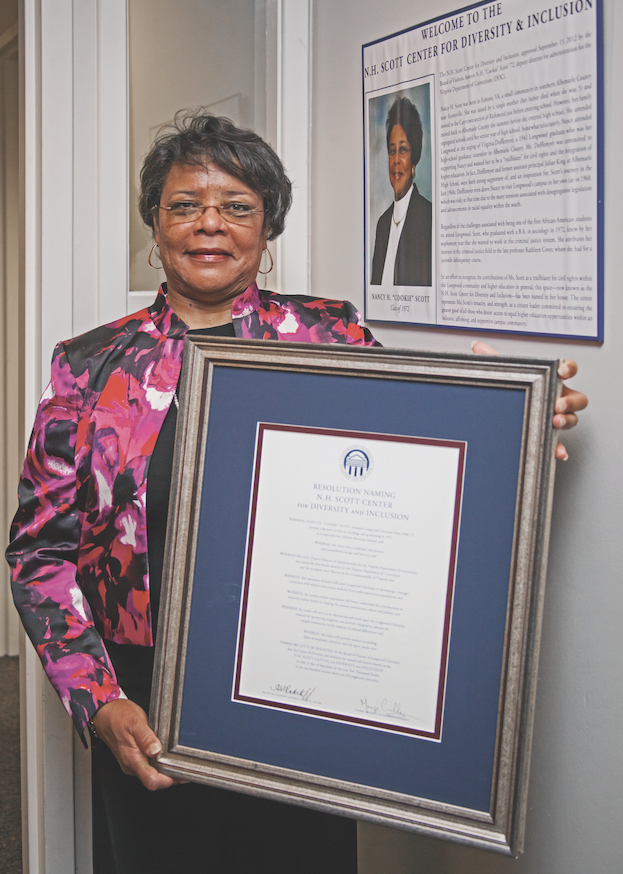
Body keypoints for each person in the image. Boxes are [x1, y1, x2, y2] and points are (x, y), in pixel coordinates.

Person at [7, 110, 586, 874]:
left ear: (268, 225)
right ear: (155, 220)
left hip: (309, 679)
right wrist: (98, 699)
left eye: (237, 206)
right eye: (184, 204)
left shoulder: (330, 338)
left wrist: (515, 426)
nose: (209, 223)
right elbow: (38, 552)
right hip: (142, 692)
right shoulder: (88, 366)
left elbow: (414, 464)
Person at [370, 95, 432, 287]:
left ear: (414, 158)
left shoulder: (428, 217)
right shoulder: (382, 224)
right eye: (392, 151)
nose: (396, 159)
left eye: (403, 150)